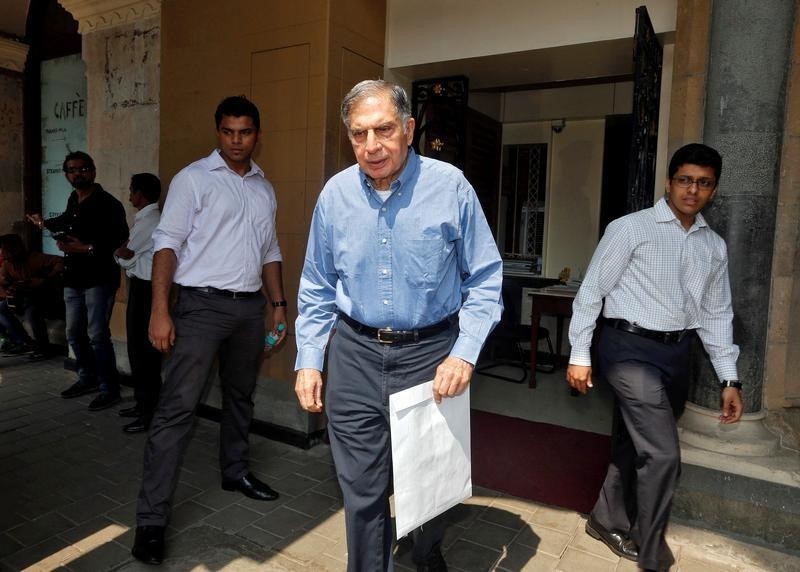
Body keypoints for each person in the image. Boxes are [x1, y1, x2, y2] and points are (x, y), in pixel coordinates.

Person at [294, 79, 503, 572]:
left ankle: (427, 552)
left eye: (384, 130)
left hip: (432, 358)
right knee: (362, 493)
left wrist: (464, 352)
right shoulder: (335, 195)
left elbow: (487, 278)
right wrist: (308, 360)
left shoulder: (450, 187)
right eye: (359, 134)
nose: (372, 146)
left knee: (428, 484)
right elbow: (317, 286)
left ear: (408, 130)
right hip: (355, 356)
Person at [566, 143, 744, 572]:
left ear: (713, 190)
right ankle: (651, 549)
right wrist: (579, 353)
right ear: (669, 182)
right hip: (627, 349)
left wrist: (729, 378)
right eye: (685, 180)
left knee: (636, 441)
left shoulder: (713, 246)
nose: (692, 190)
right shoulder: (630, 229)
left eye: (703, 183)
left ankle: (605, 519)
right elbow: (592, 292)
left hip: (678, 354)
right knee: (663, 453)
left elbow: (717, 313)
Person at [132, 95, 287, 565]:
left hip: (248, 311)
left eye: (245, 132)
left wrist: (279, 307)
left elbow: (270, 251)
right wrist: (160, 311)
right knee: (177, 409)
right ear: (217, 132)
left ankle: (235, 472)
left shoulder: (264, 188)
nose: (236, 140)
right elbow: (166, 244)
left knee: (241, 396)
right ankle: (151, 521)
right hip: (199, 308)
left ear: (257, 134)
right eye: (227, 131)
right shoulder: (193, 180)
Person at [26, 151, 129, 410]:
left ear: (93, 171)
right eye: (72, 170)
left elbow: (120, 240)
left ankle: (109, 388)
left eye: (83, 169)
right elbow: (66, 221)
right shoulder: (75, 199)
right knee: (73, 332)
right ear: (67, 175)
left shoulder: (109, 203)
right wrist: (43, 223)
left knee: (97, 334)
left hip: (99, 278)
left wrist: (87, 249)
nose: (78, 173)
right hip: (73, 277)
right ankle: (87, 378)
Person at [114, 173, 163, 434]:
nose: (129, 196)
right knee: (136, 348)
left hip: (146, 290)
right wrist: (123, 255)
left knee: (144, 352)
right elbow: (126, 253)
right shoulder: (145, 218)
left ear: (141, 194)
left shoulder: (151, 220)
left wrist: (120, 255)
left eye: (132, 191)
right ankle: (142, 404)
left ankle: (149, 412)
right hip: (140, 288)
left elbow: (126, 254)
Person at [0, 233, 63, 359]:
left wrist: (44, 279)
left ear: (16, 248)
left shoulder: (35, 258)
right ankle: (25, 342)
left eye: (5, 250)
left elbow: (60, 262)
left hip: (44, 298)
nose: (3, 253)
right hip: (22, 299)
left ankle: (44, 349)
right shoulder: (7, 264)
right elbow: (2, 283)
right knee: (1, 308)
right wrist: (8, 292)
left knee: (33, 312)